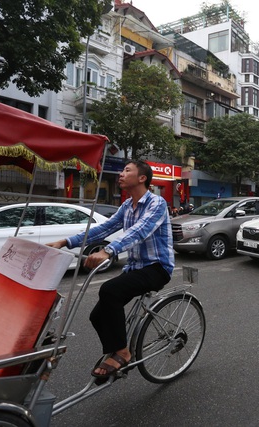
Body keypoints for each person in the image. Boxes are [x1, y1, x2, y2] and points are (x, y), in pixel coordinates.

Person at [47, 160, 174, 381]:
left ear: (142, 178)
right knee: (97, 315)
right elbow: (103, 228)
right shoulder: (126, 206)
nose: (121, 174)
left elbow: (140, 230)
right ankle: (117, 350)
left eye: (127, 170)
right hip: (134, 267)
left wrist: (109, 250)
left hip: (157, 267)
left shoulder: (157, 203)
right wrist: (65, 241)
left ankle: (123, 353)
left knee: (109, 290)